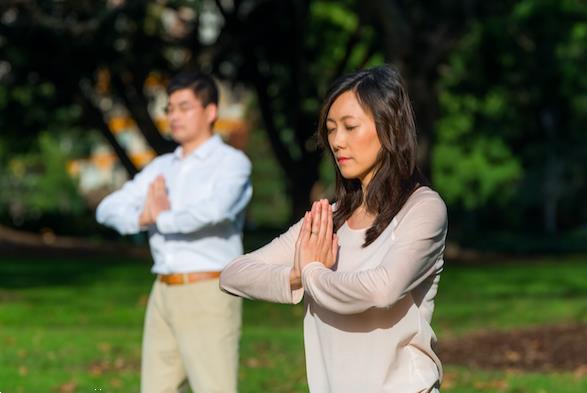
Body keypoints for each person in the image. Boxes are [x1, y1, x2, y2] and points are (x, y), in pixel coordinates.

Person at [220, 64, 447, 393]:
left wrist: (312, 273)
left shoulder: (423, 208)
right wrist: (296, 277)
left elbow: (381, 290)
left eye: (350, 127)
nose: (337, 141)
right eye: (330, 129)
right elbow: (233, 273)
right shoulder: (329, 218)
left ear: (391, 128)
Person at [96, 71, 252, 393]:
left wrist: (161, 218)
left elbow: (214, 211)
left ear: (210, 112)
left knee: (215, 387)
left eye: (184, 107)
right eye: (170, 108)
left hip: (208, 288)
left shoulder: (231, 163)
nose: (174, 116)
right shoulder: (161, 167)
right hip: (163, 290)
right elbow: (107, 208)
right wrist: (143, 216)